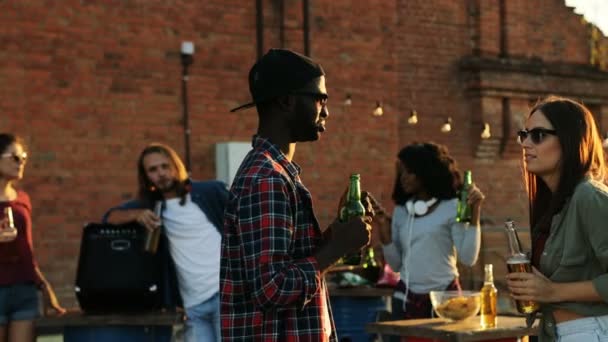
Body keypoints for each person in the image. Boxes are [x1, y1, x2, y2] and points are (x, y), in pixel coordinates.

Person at [221, 48, 372, 341]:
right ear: (287, 101)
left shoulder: (277, 171)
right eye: (319, 99)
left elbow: (294, 265)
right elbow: (272, 289)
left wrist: (336, 235)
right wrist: (337, 248)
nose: (326, 111)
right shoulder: (266, 178)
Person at [506, 96, 608, 342]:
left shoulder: (588, 196)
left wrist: (552, 291)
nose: (526, 144)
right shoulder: (555, 205)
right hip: (555, 332)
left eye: (538, 135)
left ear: (569, 141)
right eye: (524, 134)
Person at [103, 143, 228, 342]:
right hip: (192, 305)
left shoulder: (209, 191)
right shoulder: (152, 207)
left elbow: (245, 223)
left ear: (175, 166)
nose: (161, 173)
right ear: (146, 177)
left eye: (164, 166)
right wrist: (137, 214)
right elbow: (109, 217)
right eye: (153, 170)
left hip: (226, 296)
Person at [371, 142, 484, 328]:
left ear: (425, 173)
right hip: (406, 298)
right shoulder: (402, 211)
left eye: (409, 172)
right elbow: (396, 265)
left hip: (445, 299)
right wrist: (384, 230)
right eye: (402, 173)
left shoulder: (452, 208)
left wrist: (475, 212)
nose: (403, 178)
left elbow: (468, 257)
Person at [0, 133, 66, 342]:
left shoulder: (22, 199)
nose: (21, 163)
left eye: (24, 158)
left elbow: (27, 251)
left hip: (24, 290)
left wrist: (43, 286)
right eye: (15, 158)